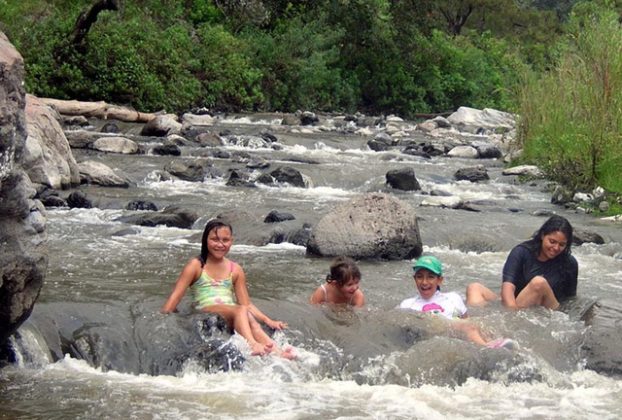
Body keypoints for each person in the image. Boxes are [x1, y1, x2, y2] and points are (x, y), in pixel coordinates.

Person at [161, 219, 295, 359]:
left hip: (232, 313)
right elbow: (175, 296)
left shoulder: (235, 269)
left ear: (231, 241)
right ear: (205, 239)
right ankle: (252, 344)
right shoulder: (196, 266)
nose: (220, 244)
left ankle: (276, 351)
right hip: (206, 310)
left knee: (252, 321)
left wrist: (268, 321)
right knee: (241, 310)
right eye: (215, 239)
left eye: (225, 240)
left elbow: (247, 303)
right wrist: (163, 317)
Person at [399, 255, 514, 349]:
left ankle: (491, 343)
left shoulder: (453, 298)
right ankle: (486, 349)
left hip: (455, 337)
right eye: (419, 277)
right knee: (468, 326)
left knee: (477, 324)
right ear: (415, 279)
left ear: (439, 280)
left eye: (430, 277)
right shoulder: (407, 305)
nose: (424, 282)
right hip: (434, 337)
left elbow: (466, 319)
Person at [466, 215, 578, 310]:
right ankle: (477, 325)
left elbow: (570, 300)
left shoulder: (570, 263)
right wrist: (511, 312)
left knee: (538, 283)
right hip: (516, 305)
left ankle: (508, 325)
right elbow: (507, 288)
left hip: (549, 309)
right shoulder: (521, 252)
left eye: (562, 245)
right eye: (552, 242)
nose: (556, 248)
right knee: (474, 287)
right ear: (543, 235)